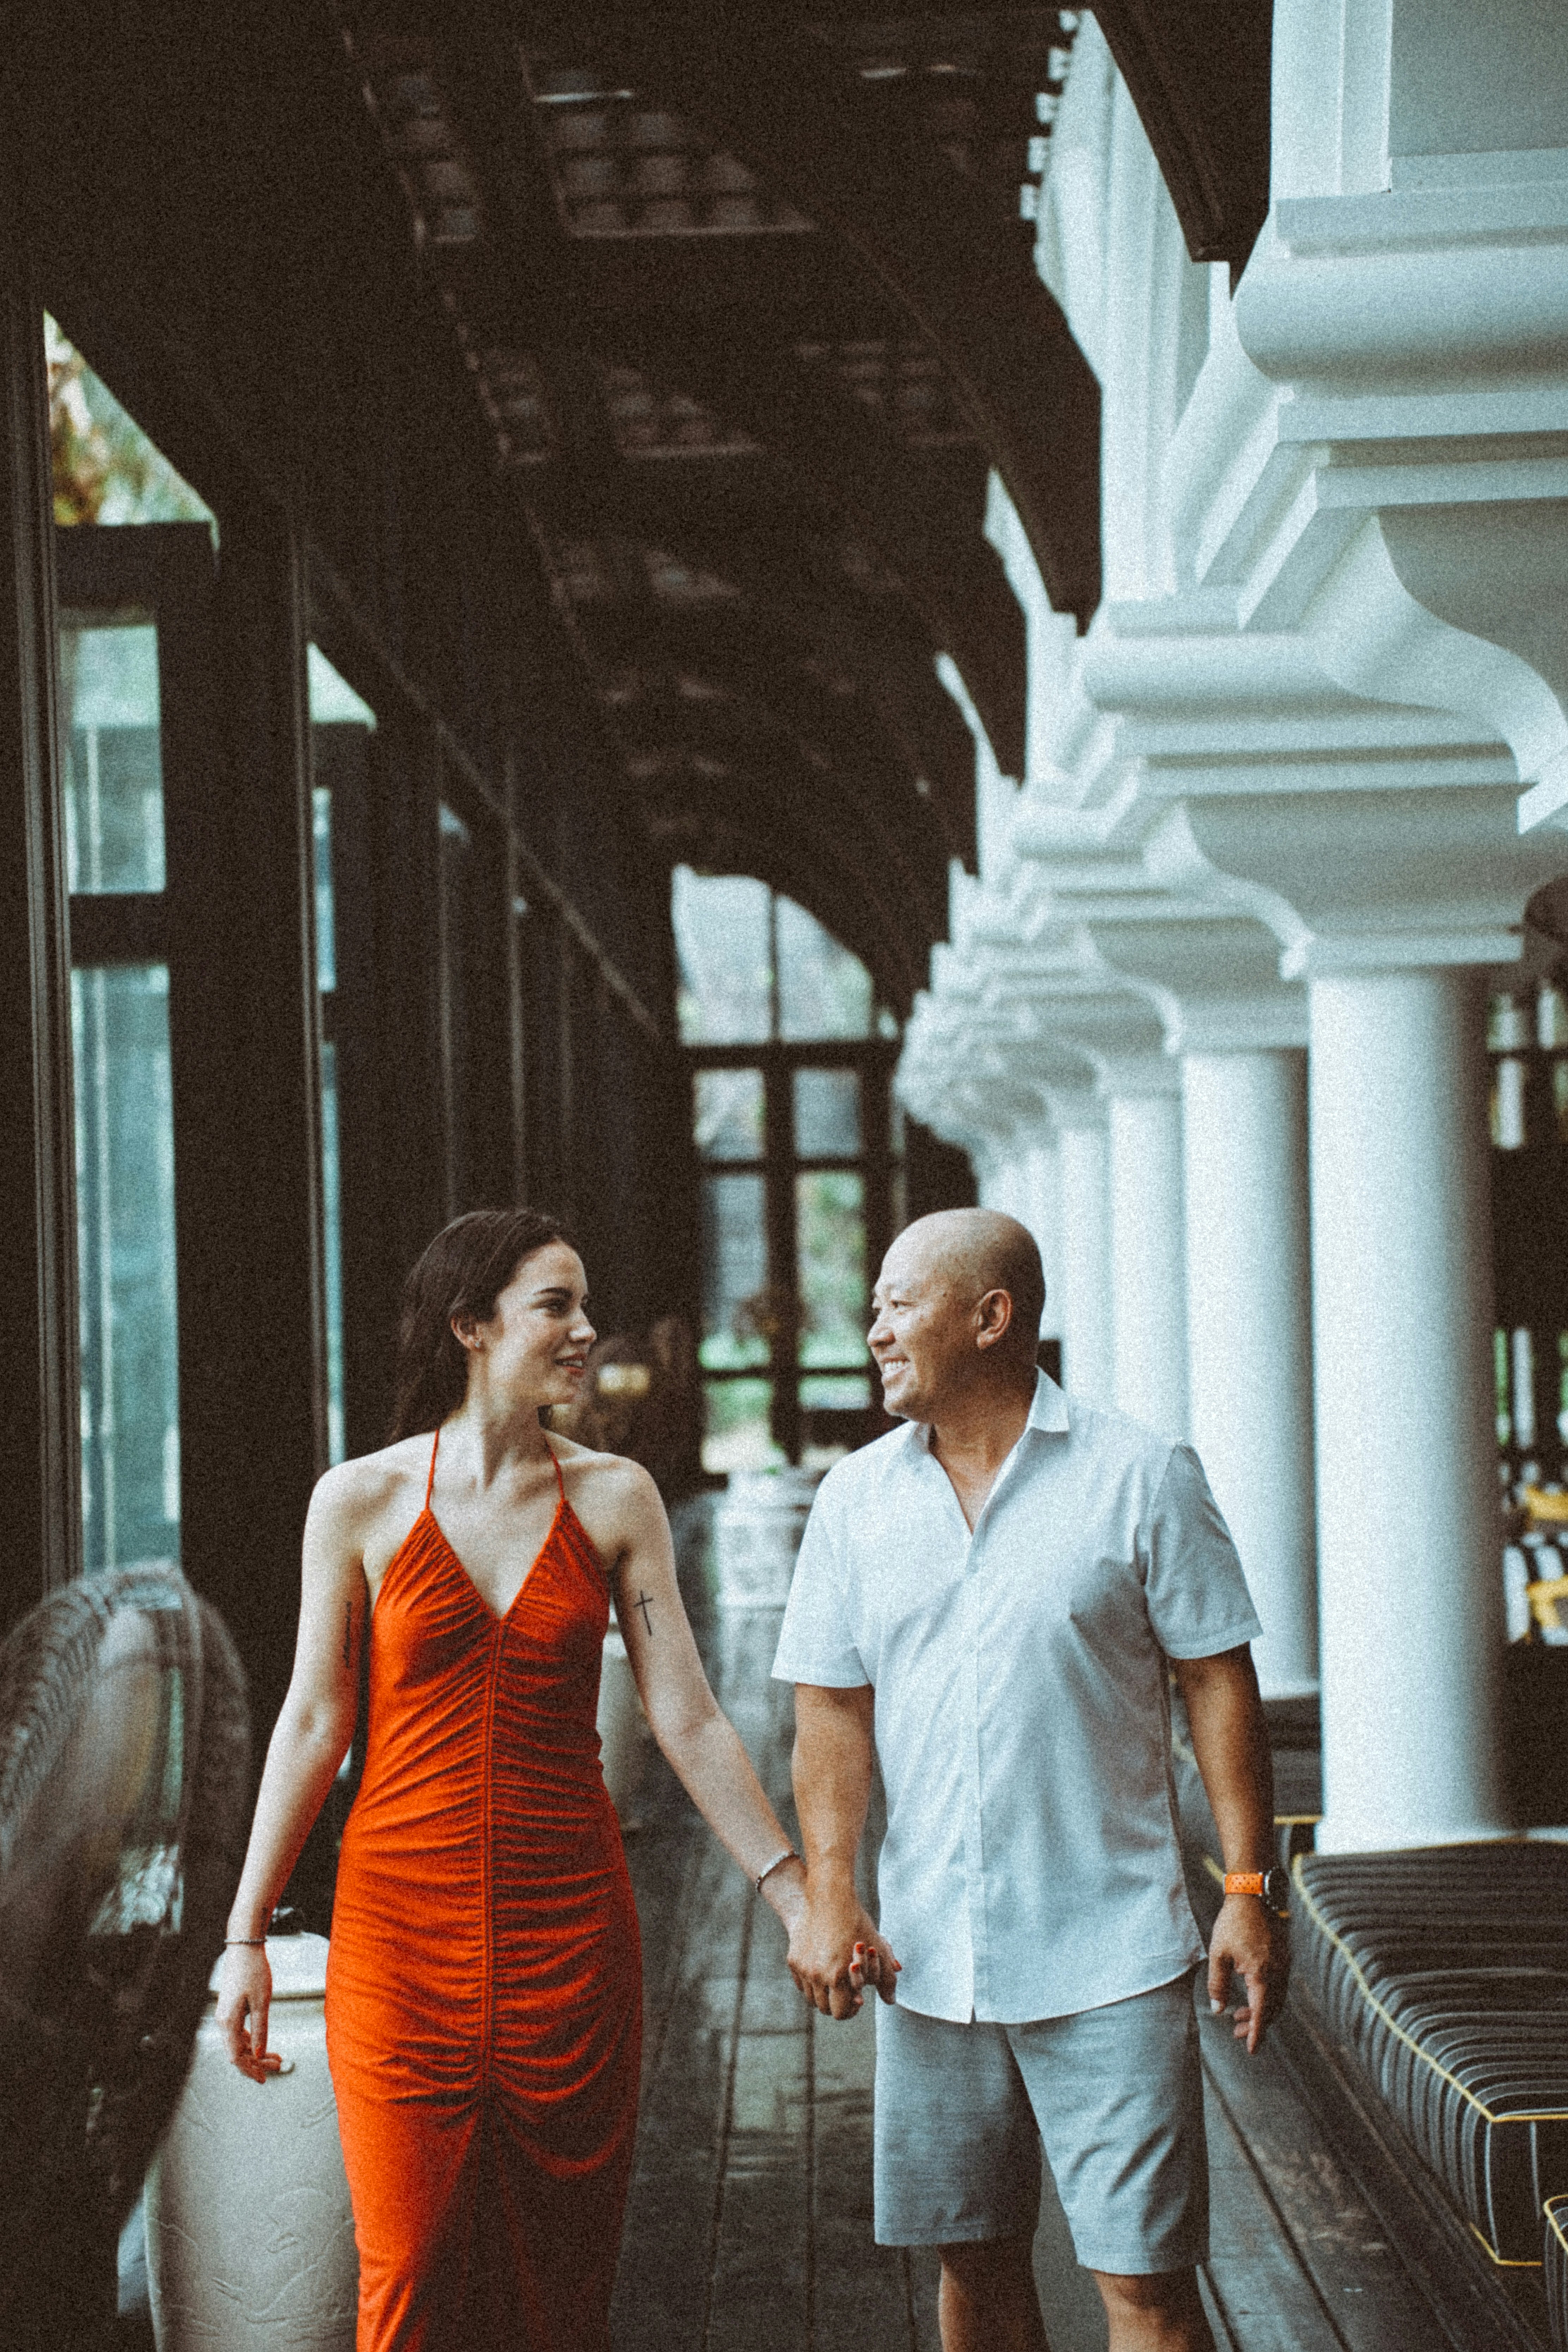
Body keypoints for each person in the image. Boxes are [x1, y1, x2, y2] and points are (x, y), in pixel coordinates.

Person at [216, 1208, 808, 2352]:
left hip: (572, 1935)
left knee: (562, 2285)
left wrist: (790, 1894)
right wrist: (246, 1933)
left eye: (586, 1306)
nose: (589, 1331)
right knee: (413, 2271)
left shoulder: (616, 1498)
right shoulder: (357, 1501)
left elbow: (685, 1715)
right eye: (559, 1306)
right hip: (397, 1938)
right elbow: (312, 1721)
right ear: (471, 1326)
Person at [776, 1208, 1286, 2352]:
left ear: (992, 1317)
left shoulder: (1142, 1474)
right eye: (874, 1310)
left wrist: (1248, 1890)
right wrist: (829, 1889)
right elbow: (830, 1708)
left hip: (1110, 1954)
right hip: (928, 1957)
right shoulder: (856, 1500)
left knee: (1145, 2286)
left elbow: (1218, 1681)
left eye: (900, 1304)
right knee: (976, 2262)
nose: (875, 1332)